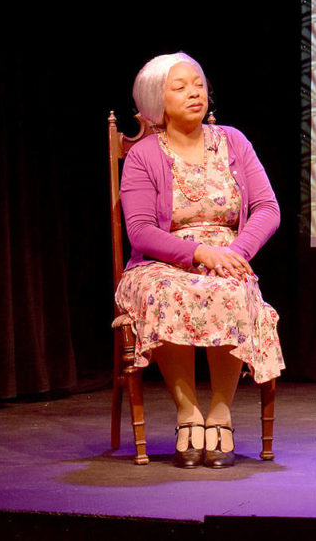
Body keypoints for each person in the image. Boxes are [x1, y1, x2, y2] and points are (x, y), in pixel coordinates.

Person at [114, 52, 284, 468]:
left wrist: (234, 253)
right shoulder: (143, 155)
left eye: (198, 84)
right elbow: (138, 230)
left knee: (230, 287)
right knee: (168, 290)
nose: (195, 92)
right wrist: (198, 252)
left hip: (228, 257)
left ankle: (220, 412)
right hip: (162, 261)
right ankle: (187, 412)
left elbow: (267, 208)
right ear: (157, 100)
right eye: (180, 86)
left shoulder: (234, 142)